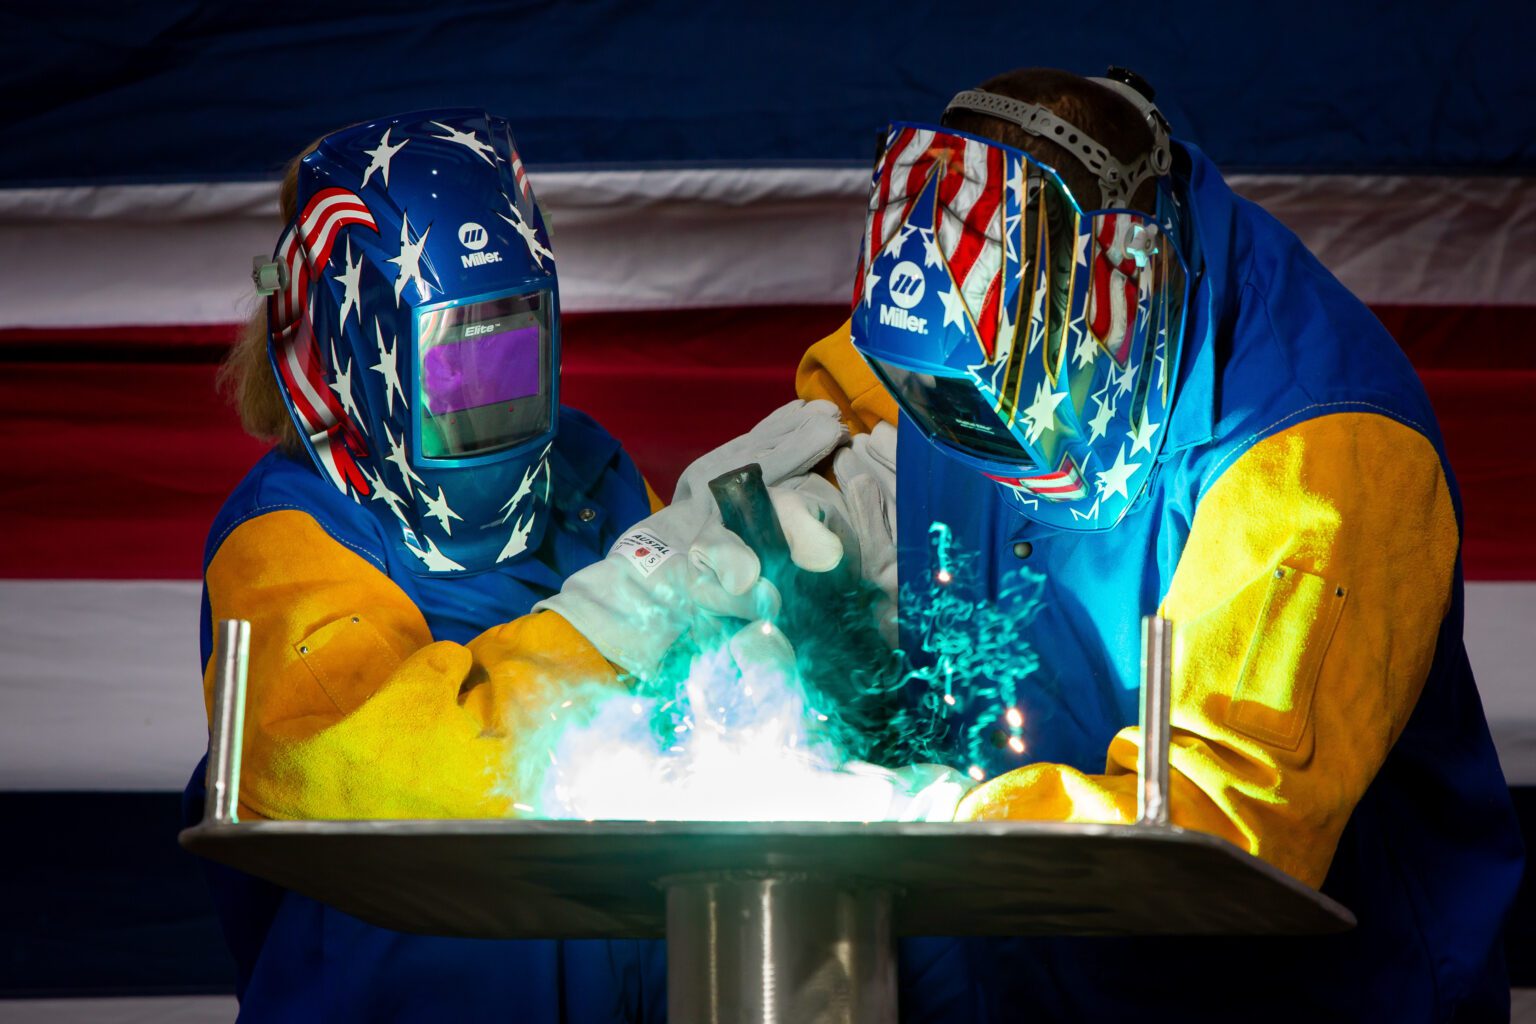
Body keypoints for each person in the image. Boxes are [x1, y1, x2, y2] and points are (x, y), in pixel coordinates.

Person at [553, 68, 1526, 1020]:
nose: (953, 437)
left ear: (1114, 304)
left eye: (977, 408)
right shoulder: (977, 300)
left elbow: (1221, 836)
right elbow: (866, 408)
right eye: (934, 403)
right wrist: (765, 565)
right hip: (1018, 966)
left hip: (1294, 994)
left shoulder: (1322, 459)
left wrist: (923, 820)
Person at [180, 109, 848, 1022]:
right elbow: (393, 780)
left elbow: (693, 726)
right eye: (454, 366)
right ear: (354, 343)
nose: (488, 398)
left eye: (513, 350)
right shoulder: (288, 538)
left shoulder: (587, 469)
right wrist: (614, 623)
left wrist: (773, 627)